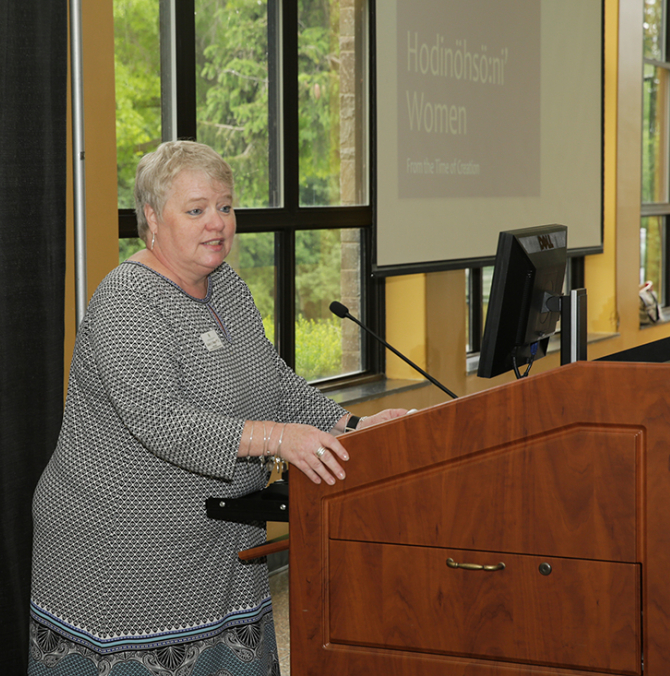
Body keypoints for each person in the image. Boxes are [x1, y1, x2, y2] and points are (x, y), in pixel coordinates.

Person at [28, 140, 409, 675]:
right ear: (152, 218)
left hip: (221, 544)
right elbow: (164, 422)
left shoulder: (225, 285)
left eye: (225, 207)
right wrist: (280, 440)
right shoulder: (126, 300)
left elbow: (273, 383)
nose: (217, 223)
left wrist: (354, 425)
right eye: (196, 210)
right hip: (123, 557)